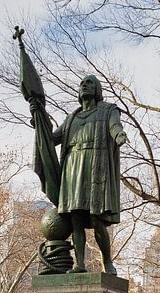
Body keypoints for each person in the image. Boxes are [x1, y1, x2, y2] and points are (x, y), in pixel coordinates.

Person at [48, 75, 127, 275]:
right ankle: (80, 264)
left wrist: (119, 135)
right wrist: (39, 119)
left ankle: (107, 262)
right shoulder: (71, 118)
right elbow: (52, 139)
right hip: (73, 168)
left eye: (89, 83)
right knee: (75, 219)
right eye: (82, 83)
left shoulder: (108, 110)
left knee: (97, 218)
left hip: (95, 167)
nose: (84, 85)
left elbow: (114, 126)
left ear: (97, 90)